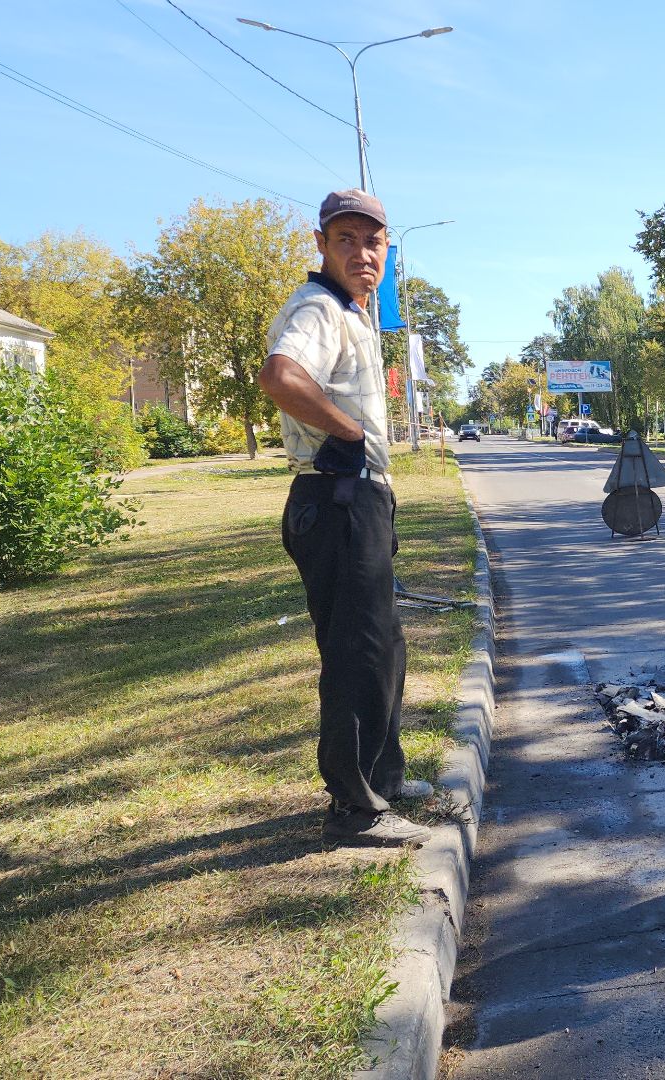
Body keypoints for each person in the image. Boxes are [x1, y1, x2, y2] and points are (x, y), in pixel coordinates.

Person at [257, 189, 432, 849]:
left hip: (357, 498)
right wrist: (349, 433)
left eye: (373, 241)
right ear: (322, 244)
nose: (362, 253)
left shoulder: (356, 313)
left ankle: (382, 778)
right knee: (357, 653)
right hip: (335, 498)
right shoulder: (319, 307)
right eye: (346, 240)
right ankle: (355, 811)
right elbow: (280, 375)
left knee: (382, 645)